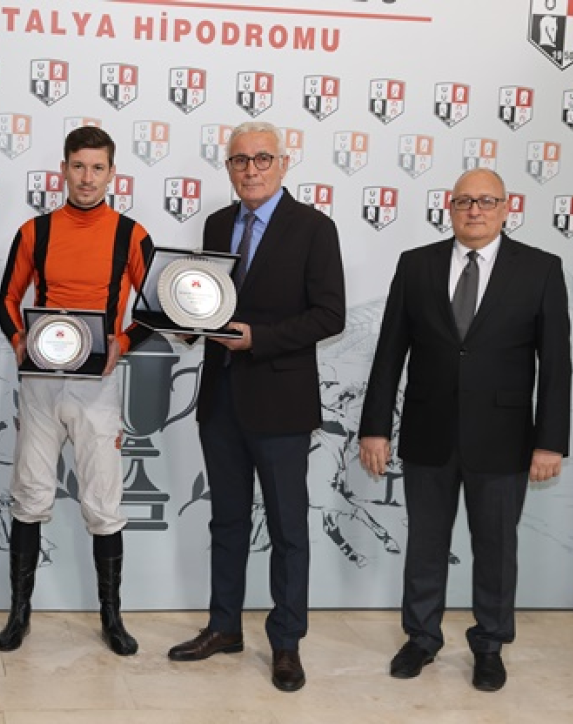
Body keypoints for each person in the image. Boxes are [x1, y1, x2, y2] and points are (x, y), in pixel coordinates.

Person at [358, 168, 571, 692]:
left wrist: (550, 442)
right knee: (425, 544)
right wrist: (374, 428)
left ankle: (490, 645)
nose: (474, 210)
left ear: (506, 208)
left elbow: (556, 363)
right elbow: (389, 351)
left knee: (496, 549)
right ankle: (421, 638)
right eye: (464, 201)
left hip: (504, 439)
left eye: (486, 201)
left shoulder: (541, 269)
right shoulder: (416, 265)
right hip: (428, 432)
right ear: (449, 208)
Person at [167, 121, 346, 692]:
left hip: (281, 402)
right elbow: (208, 300)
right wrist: (185, 321)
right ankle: (224, 627)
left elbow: (330, 314)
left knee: (288, 527)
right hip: (221, 399)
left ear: (284, 164)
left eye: (262, 158)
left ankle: (286, 642)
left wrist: (260, 339)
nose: (251, 170)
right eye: (240, 160)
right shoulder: (217, 224)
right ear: (228, 168)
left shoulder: (314, 228)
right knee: (226, 520)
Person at [0, 126, 153, 656]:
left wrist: (122, 342)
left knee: (104, 502)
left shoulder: (131, 235)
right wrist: (18, 339)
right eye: (78, 166)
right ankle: (19, 616)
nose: (87, 178)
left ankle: (112, 619)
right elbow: (7, 298)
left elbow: (156, 307)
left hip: (97, 387)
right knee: (30, 495)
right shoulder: (34, 231)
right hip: (41, 382)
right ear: (63, 169)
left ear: (112, 174)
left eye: (97, 168)